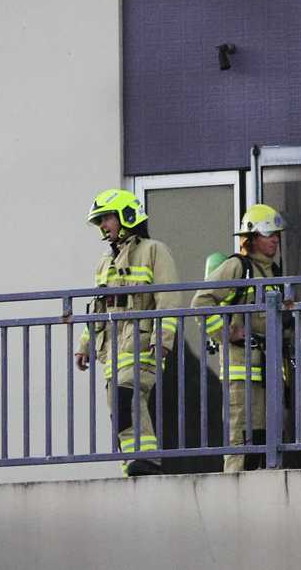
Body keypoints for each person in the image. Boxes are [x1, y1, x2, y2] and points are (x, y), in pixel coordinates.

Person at [73, 189, 179, 476]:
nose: (103, 226)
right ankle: (131, 464)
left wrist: (163, 340)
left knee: (125, 395)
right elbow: (98, 309)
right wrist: (84, 344)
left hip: (142, 343)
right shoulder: (104, 263)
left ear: (127, 216)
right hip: (112, 350)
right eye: (100, 222)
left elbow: (168, 300)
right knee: (118, 407)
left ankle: (147, 458)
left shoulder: (154, 250)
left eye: (106, 218)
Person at [192, 204, 286, 471]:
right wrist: (227, 333)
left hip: (269, 369)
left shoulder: (274, 272)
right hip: (240, 369)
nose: (276, 239)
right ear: (252, 237)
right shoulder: (237, 267)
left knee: (266, 438)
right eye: (270, 234)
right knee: (239, 438)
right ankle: (232, 494)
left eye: (277, 234)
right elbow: (201, 301)